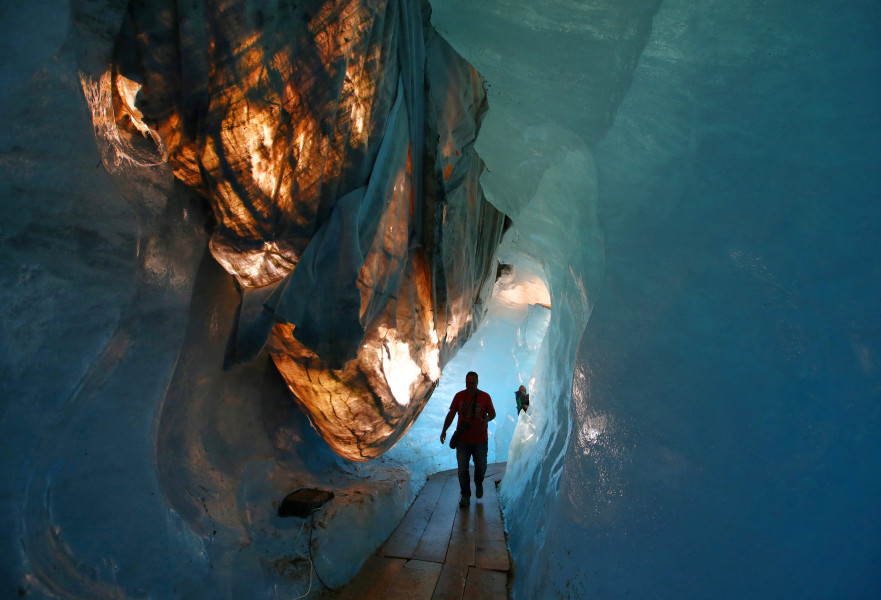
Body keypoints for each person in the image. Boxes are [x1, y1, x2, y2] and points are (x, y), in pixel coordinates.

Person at [440, 371, 496, 507]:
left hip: (480, 440)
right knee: (462, 469)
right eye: (468, 382)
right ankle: (465, 495)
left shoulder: (485, 397)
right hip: (463, 440)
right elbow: (451, 414)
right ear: (465, 382)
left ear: (477, 383)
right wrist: (444, 430)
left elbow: (493, 413)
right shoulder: (459, 396)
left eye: (473, 383)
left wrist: (486, 419)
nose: (470, 385)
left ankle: (478, 482)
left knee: (481, 466)